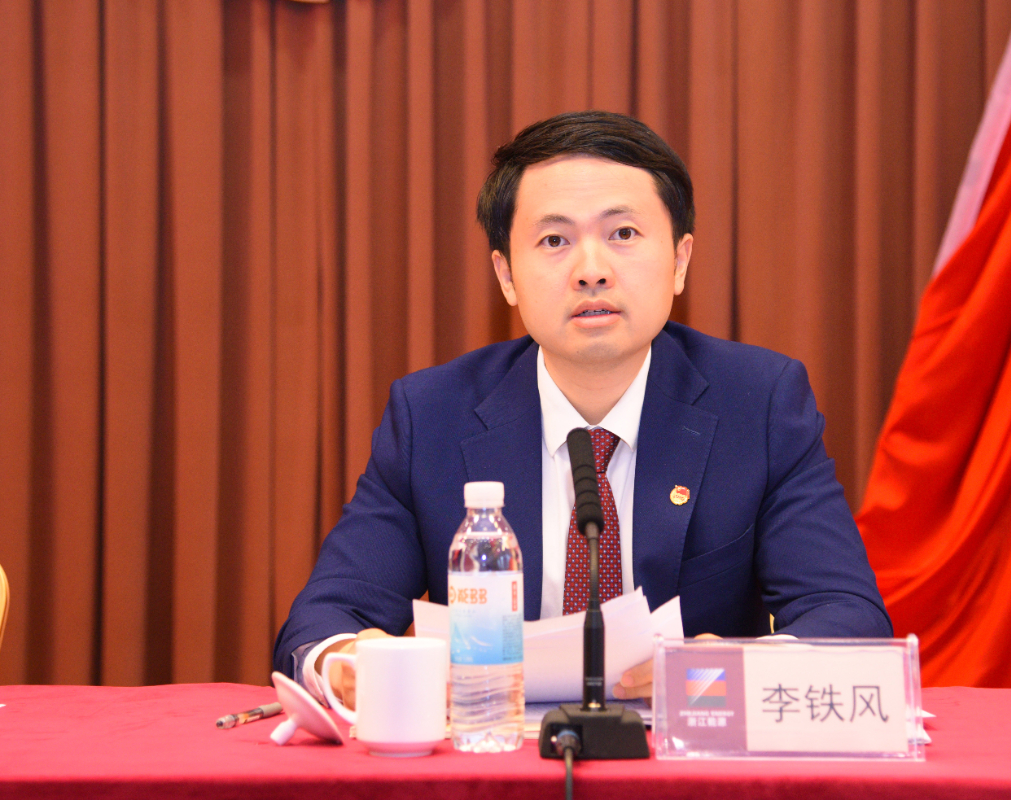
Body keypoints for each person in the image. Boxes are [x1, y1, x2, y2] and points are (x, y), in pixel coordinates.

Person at [274, 110, 891, 709]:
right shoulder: (432, 416)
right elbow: (324, 622)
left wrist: (728, 670)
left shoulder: (758, 404)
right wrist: (348, 662)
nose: (591, 271)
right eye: (554, 240)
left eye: (623, 234)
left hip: (683, 753)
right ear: (506, 276)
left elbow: (849, 618)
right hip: (494, 750)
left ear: (680, 261)